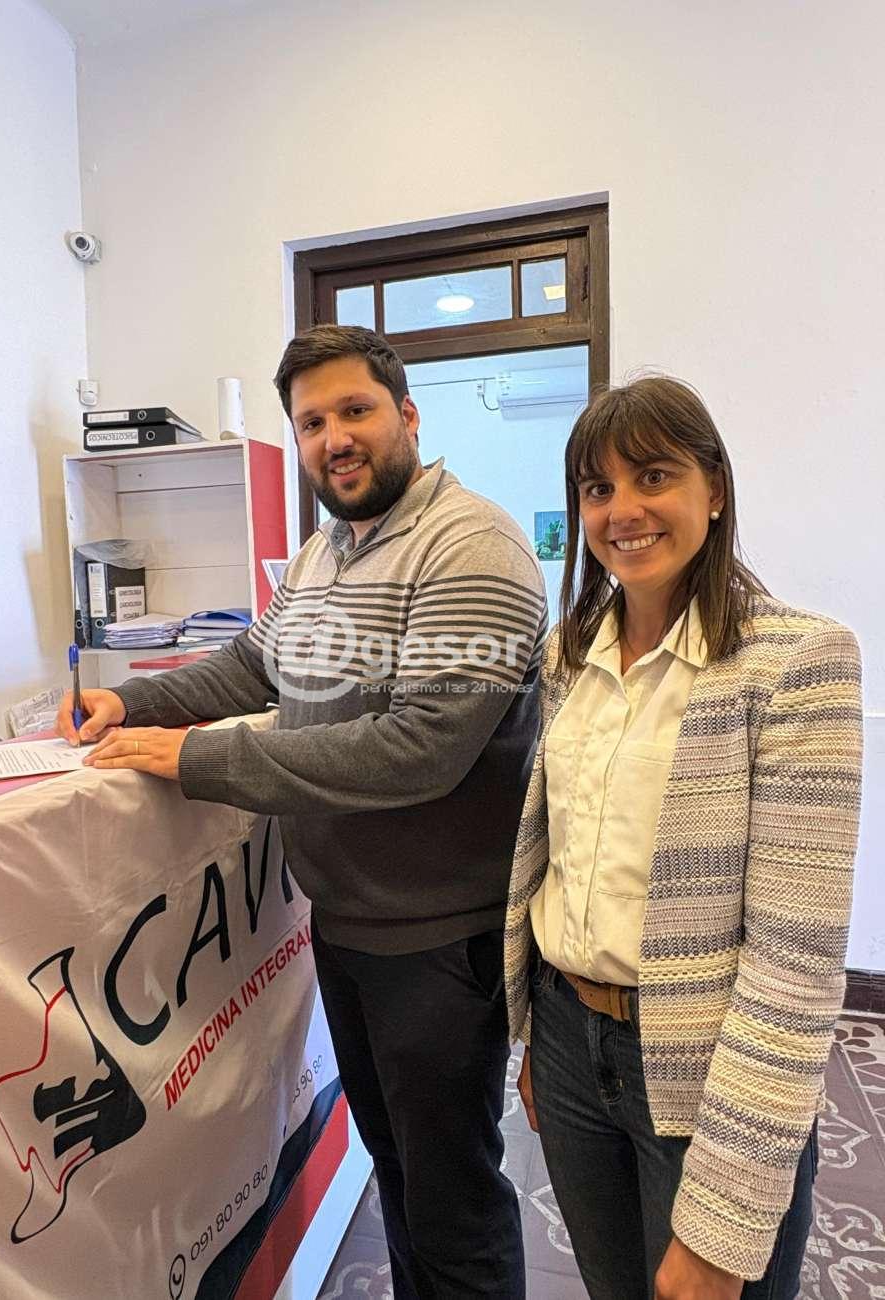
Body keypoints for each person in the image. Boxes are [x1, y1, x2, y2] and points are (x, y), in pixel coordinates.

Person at [58, 325, 547, 1299]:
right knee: (398, 1171)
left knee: (451, 1199)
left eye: (355, 410)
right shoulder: (327, 549)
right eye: (312, 423)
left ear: (408, 416)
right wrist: (133, 701)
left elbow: (419, 750)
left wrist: (198, 758)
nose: (334, 439)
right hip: (348, 924)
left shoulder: (472, 546)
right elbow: (253, 665)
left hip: (437, 943)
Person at [504, 376, 863, 1300]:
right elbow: (560, 865)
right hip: (568, 1038)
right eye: (598, 488)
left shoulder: (797, 662)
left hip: (710, 1067)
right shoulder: (568, 652)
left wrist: (727, 1213)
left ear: (715, 490)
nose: (622, 510)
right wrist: (540, 1040)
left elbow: (795, 962)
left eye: (653, 476)